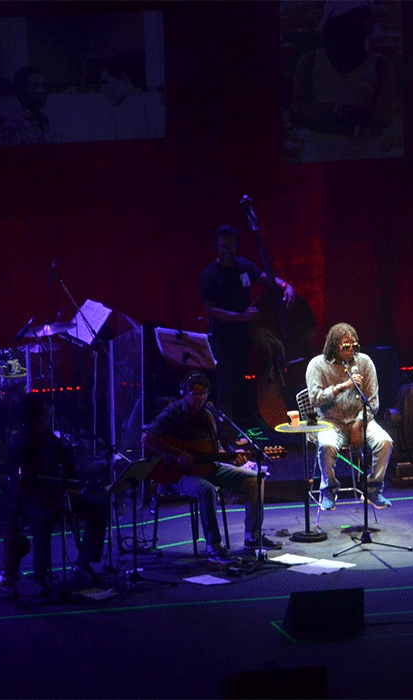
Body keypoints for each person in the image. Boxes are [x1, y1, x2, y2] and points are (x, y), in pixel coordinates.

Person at [143, 371, 280, 563]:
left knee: (254, 478)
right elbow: (148, 438)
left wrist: (233, 459)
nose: (199, 398)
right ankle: (214, 547)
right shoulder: (172, 413)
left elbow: (214, 448)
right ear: (184, 392)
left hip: (209, 467)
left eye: (203, 394)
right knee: (206, 489)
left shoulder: (208, 416)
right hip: (177, 475)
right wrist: (179, 454)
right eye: (194, 394)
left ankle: (253, 537)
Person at [5, 393, 108, 595]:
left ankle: (83, 563)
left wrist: (73, 488)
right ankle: (40, 577)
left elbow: (67, 463)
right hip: (32, 499)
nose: (48, 413)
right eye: (45, 411)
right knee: (43, 518)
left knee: (98, 508)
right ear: (37, 415)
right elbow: (22, 482)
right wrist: (50, 497)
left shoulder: (48, 436)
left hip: (58, 495)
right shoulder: (21, 441)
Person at [200, 224, 296, 422]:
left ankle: (246, 428)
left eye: (232, 246)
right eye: (223, 247)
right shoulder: (210, 275)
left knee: (243, 384)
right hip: (223, 339)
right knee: (225, 387)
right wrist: (240, 316)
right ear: (217, 247)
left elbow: (266, 278)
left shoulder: (243, 265)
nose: (228, 251)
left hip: (245, 336)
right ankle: (225, 435)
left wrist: (286, 286)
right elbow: (211, 311)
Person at [289, 0, 398, 162]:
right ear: (332, 25)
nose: (358, 24)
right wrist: (358, 125)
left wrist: (327, 112)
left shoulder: (381, 66)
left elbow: (382, 118)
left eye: (362, 18)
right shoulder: (310, 62)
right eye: (351, 18)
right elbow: (299, 113)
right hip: (318, 164)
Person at [305, 322, 393, 510]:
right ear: (333, 346)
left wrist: (359, 422)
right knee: (327, 445)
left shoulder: (364, 362)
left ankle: (373, 489)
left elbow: (373, 401)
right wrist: (341, 387)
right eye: (346, 346)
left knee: (385, 441)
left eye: (355, 346)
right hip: (329, 421)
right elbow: (314, 399)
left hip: (360, 419)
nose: (351, 350)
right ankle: (328, 490)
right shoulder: (317, 365)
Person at [100, 52, 166, 140]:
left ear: (124, 79)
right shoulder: (156, 105)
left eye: (106, 82)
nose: (102, 90)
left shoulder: (120, 115)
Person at [0, 65, 58, 146]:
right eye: (34, 86)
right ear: (22, 91)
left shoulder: (45, 120)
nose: (41, 91)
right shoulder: (11, 126)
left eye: (44, 86)